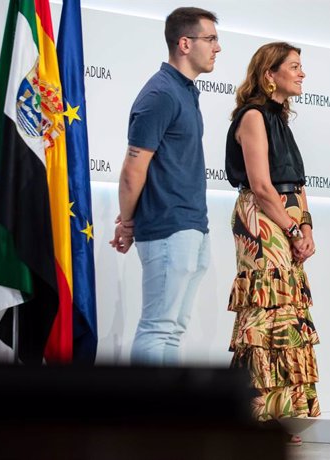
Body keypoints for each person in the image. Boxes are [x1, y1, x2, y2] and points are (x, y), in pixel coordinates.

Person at [109, 7, 221, 365]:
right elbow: (132, 169)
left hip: (191, 227)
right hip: (168, 228)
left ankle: (164, 416)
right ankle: (142, 418)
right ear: (185, 43)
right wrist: (127, 222)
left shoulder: (184, 91)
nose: (218, 48)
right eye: (211, 39)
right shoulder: (160, 94)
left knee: (172, 330)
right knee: (158, 327)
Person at [224, 42, 320, 443]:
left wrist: (307, 226)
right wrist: (293, 229)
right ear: (270, 73)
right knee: (264, 317)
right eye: (294, 67)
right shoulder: (252, 117)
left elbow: (296, 182)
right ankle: (249, 414)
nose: (301, 74)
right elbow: (262, 186)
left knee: (286, 318)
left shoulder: (281, 119)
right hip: (262, 220)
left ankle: (270, 414)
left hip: (288, 219)